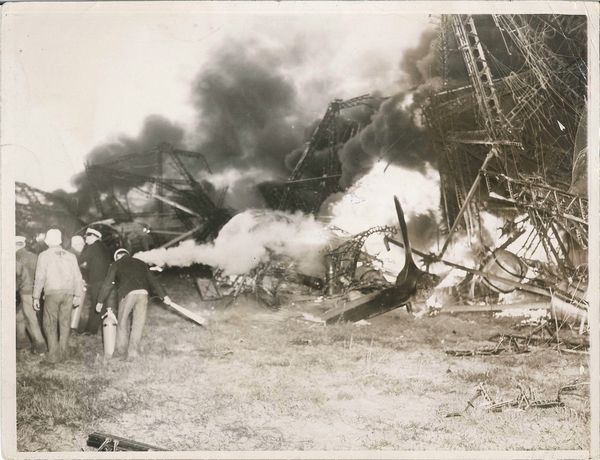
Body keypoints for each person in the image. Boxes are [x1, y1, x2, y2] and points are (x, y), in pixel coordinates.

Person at [96, 249, 170, 359]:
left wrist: (100, 301)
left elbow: (108, 283)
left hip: (128, 294)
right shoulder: (141, 263)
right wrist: (164, 296)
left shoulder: (116, 264)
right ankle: (133, 353)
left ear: (117, 257)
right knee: (138, 324)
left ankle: (120, 351)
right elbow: (153, 280)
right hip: (143, 294)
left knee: (122, 322)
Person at [33, 229, 84, 364]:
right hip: (68, 293)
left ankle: (53, 356)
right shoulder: (71, 256)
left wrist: (35, 297)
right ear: (60, 241)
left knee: (49, 323)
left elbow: (40, 277)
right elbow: (78, 277)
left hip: (52, 293)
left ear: (48, 241)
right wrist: (78, 295)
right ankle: (63, 353)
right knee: (65, 323)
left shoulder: (44, 256)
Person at [15, 236, 47, 354]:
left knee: (31, 319)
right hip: (37, 291)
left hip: (26, 291)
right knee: (19, 316)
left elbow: (16, 276)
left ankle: (40, 347)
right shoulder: (34, 256)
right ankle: (21, 342)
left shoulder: (16, 257)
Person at [79, 228, 112, 335]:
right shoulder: (104, 247)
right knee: (102, 304)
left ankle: (90, 330)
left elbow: (80, 259)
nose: (86, 240)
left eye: (87, 237)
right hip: (106, 281)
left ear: (93, 236)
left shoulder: (92, 247)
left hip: (97, 281)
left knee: (95, 305)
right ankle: (105, 328)